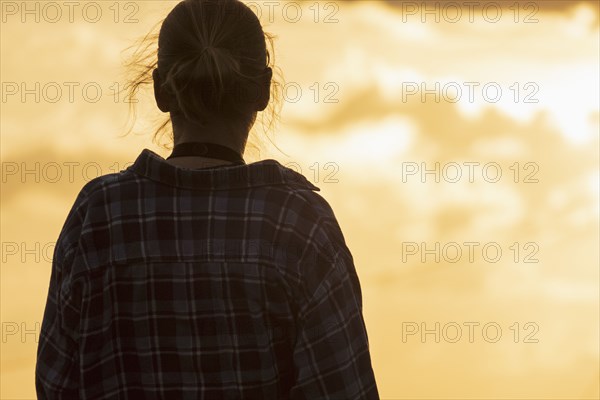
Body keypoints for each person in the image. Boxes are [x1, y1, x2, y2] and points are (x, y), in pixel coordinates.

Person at [35, 0, 380, 398]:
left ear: (161, 89)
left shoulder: (98, 217)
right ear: (263, 90)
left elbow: (54, 386)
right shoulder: (297, 223)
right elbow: (344, 389)